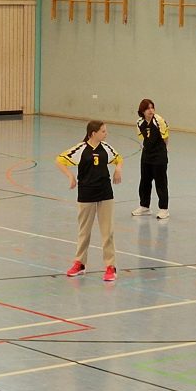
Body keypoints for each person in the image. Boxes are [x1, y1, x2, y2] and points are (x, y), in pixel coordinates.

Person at [57, 120, 123, 283]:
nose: (106, 134)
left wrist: (118, 169)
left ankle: (110, 266)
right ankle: (80, 263)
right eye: (103, 131)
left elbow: (119, 158)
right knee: (84, 231)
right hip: (86, 193)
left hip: (105, 193)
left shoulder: (106, 148)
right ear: (93, 133)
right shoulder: (80, 149)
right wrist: (71, 176)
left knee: (107, 232)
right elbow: (59, 160)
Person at [132, 98, 170, 220]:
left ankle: (164, 209)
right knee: (144, 181)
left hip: (159, 156)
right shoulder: (139, 123)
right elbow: (143, 138)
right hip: (146, 155)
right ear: (142, 111)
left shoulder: (159, 120)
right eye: (148, 108)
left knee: (160, 182)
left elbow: (165, 138)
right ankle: (144, 206)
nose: (151, 110)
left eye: (152, 107)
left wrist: (163, 151)